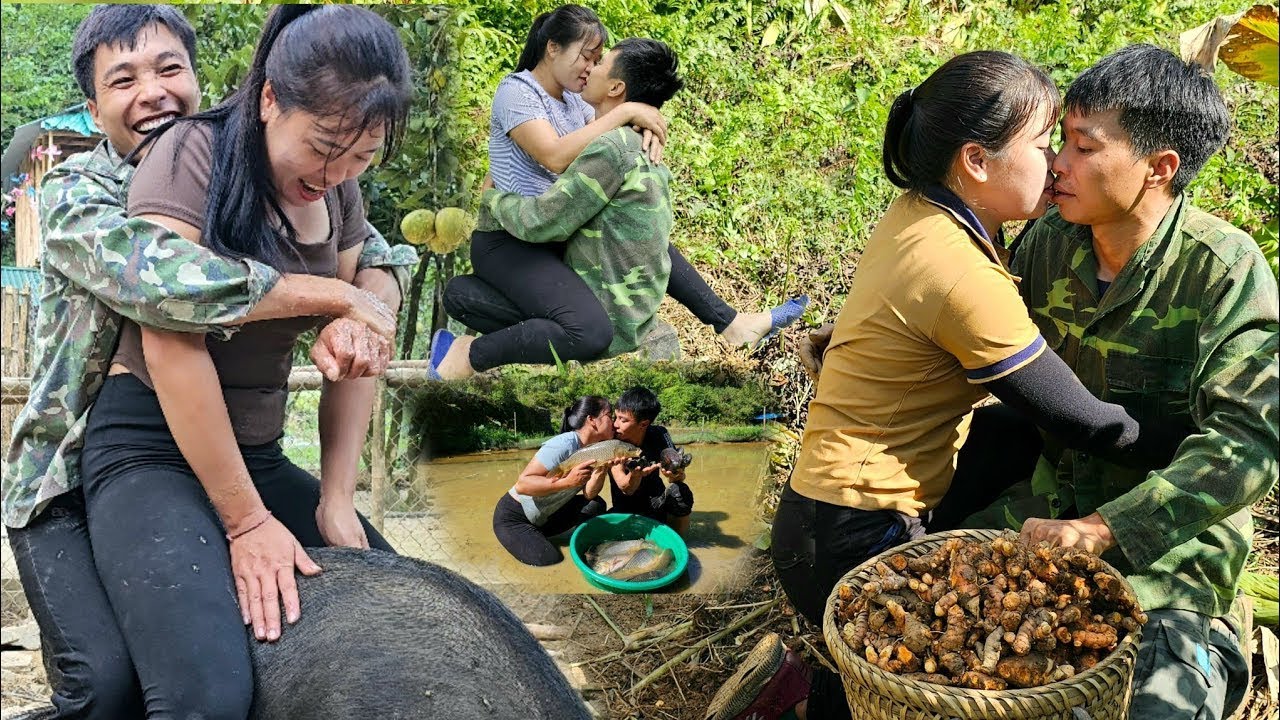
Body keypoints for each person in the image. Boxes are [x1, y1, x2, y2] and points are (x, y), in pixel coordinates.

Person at [706, 50, 1185, 720]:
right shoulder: (960, 273)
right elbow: (1086, 420)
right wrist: (1193, 447)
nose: (1057, 165)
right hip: (854, 541)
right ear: (977, 162)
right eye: (1047, 145)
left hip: (814, 516)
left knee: (1014, 437)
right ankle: (796, 701)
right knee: (939, 687)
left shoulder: (921, 211)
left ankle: (811, 688)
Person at [2, 6, 415, 718]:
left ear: (201, 79)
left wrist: (366, 307)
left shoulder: (315, 169)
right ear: (93, 105)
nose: (154, 92)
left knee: (402, 608)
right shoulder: (81, 193)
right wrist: (336, 295)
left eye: (170, 69)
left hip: (232, 445)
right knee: (107, 687)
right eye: (123, 79)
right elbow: (165, 284)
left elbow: (379, 257)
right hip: (65, 469)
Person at [972, 45, 1276, 720]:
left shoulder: (1222, 269)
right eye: (1062, 143)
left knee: (1160, 705)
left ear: (1159, 169)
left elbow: (1248, 443)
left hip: (1169, 556)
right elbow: (977, 338)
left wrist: (1108, 528)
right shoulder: (1048, 243)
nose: (1058, 164)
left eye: (1083, 147)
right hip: (1043, 515)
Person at [434, 5, 807, 379]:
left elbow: (601, 134)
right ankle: (469, 352)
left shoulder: (576, 100)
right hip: (512, 239)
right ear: (552, 48)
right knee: (591, 330)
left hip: (551, 234)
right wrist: (626, 112)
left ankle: (729, 321)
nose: (589, 67)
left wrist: (635, 125)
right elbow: (554, 157)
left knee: (642, 229)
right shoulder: (517, 92)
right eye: (586, 56)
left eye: (597, 60)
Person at [493, 396, 617, 566]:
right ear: (592, 420)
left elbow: (589, 494)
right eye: (610, 416)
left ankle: (539, 537)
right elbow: (523, 484)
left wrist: (601, 470)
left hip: (545, 517)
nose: (614, 423)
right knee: (550, 559)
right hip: (515, 517)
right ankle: (527, 539)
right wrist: (568, 482)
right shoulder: (565, 444)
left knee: (596, 504)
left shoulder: (597, 449)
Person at [609, 387, 694, 537]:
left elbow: (677, 477)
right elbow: (625, 487)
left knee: (681, 492)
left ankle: (679, 545)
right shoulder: (613, 442)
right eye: (615, 417)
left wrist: (675, 473)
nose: (615, 424)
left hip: (657, 504)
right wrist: (635, 475)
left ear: (643, 424)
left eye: (623, 420)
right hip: (625, 509)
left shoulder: (659, 434)